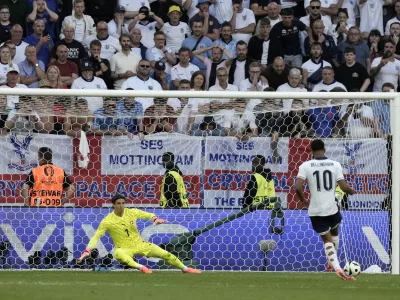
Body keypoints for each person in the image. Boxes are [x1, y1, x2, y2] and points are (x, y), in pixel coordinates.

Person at [77, 194, 199, 273]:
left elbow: (147, 215)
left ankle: (185, 268)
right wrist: (88, 250)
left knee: (166, 254)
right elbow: (96, 236)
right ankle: (141, 267)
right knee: (118, 253)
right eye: (118, 204)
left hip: (140, 244)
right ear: (113, 205)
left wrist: (155, 219)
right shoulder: (107, 220)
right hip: (124, 248)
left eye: (123, 203)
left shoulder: (132, 212)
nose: (121, 206)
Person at [295, 139, 355, 281]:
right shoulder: (335, 164)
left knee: (327, 240)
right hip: (332, 209)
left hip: (316, 211)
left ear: (311, 150)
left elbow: (297, 187)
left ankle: (336, 267)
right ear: (325, 149)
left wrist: (303, 200)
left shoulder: (305, 165)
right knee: (334, 233)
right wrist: (351, 191)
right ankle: (331, 263)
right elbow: (344, 187)